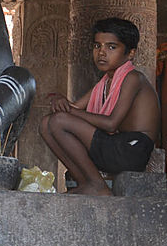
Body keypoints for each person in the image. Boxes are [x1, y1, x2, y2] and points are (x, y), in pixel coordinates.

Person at [40, 18, 159, 195]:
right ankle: (86, 182)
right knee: (46, 123)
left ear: (130, 53)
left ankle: (97, 185)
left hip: (131, 149)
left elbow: (111, 123)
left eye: (111, 47)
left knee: (59, 121)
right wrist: (59, 100)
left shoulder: (133, 78)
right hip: (113, 145)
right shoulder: (104, 83)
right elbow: (72, 108)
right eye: (97, 46)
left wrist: (68, 110)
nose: (102, 53)